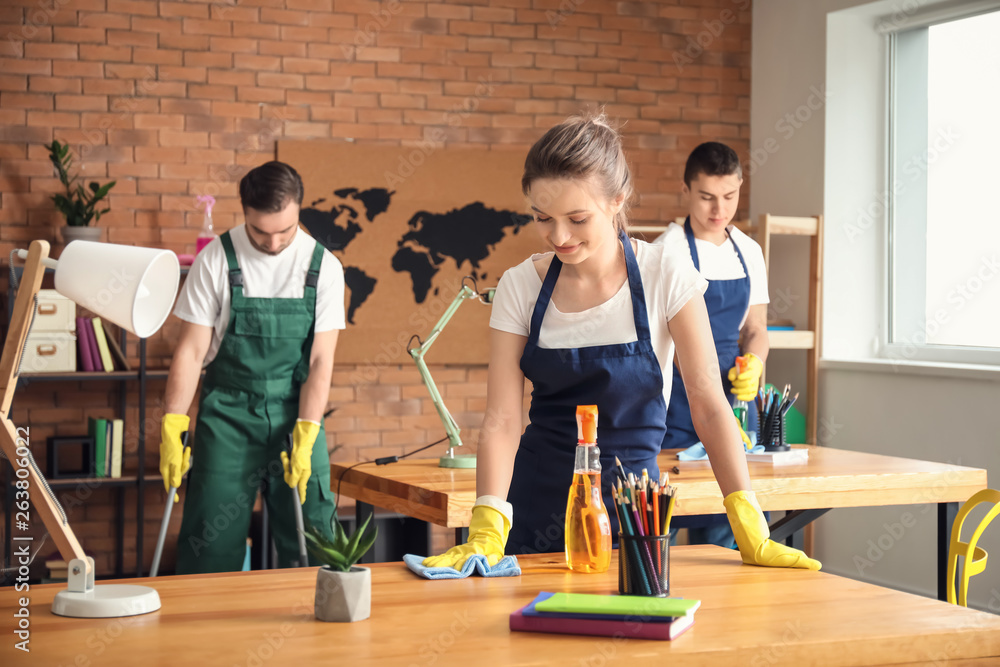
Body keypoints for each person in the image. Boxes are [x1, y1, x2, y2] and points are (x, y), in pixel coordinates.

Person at [423, 115, 819, 571]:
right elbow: (503, 419)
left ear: (617, 200)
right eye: (542, 219)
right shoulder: (519, 286)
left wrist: (748, 521)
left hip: (635, 514)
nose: (559, 237)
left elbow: (710, 406)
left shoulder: (667, 277)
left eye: (576, 219)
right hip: (538, 514)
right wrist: (488, 523)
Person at [159, 161, 344, 574]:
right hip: (226, 416)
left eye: (286, 230)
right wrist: (173, 422)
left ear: (299, 210)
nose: (275, 243)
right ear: (245, 213)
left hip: (295, 415)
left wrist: (308, 429)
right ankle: (204, 633)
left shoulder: (324, 267)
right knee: (209, 541)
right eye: (261, 232)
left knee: (317, 542)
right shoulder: (216, 260)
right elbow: (190, 352)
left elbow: (320, 360)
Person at [654, 142, 769, 548]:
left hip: (735, 402)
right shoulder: (665, 252)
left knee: (733, 519)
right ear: (686, 192)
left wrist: (752, 363)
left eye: (729, 197)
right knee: (664, 517)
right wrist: (709, 396)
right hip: (677, 405)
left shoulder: (749, 252)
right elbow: (668, 339)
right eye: (706, 197)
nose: (718, 209)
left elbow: (755, 327)